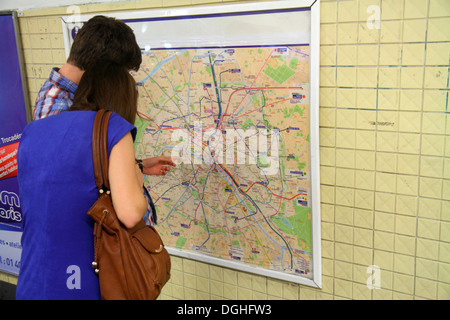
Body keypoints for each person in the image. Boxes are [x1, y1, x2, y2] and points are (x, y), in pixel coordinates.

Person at [16, 62, 147, 299]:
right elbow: (130, 213)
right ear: (123, 98)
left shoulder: (33, 130)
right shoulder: (114, 127)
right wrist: (137, 178)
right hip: (83, 278)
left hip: (33, 276)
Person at [33, 15, 175, 177]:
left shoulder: (73, 96)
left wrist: (138, 165)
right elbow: (75, 179)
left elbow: (90, 160)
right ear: (102, 69)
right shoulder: (57, 108)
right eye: (121, 76)